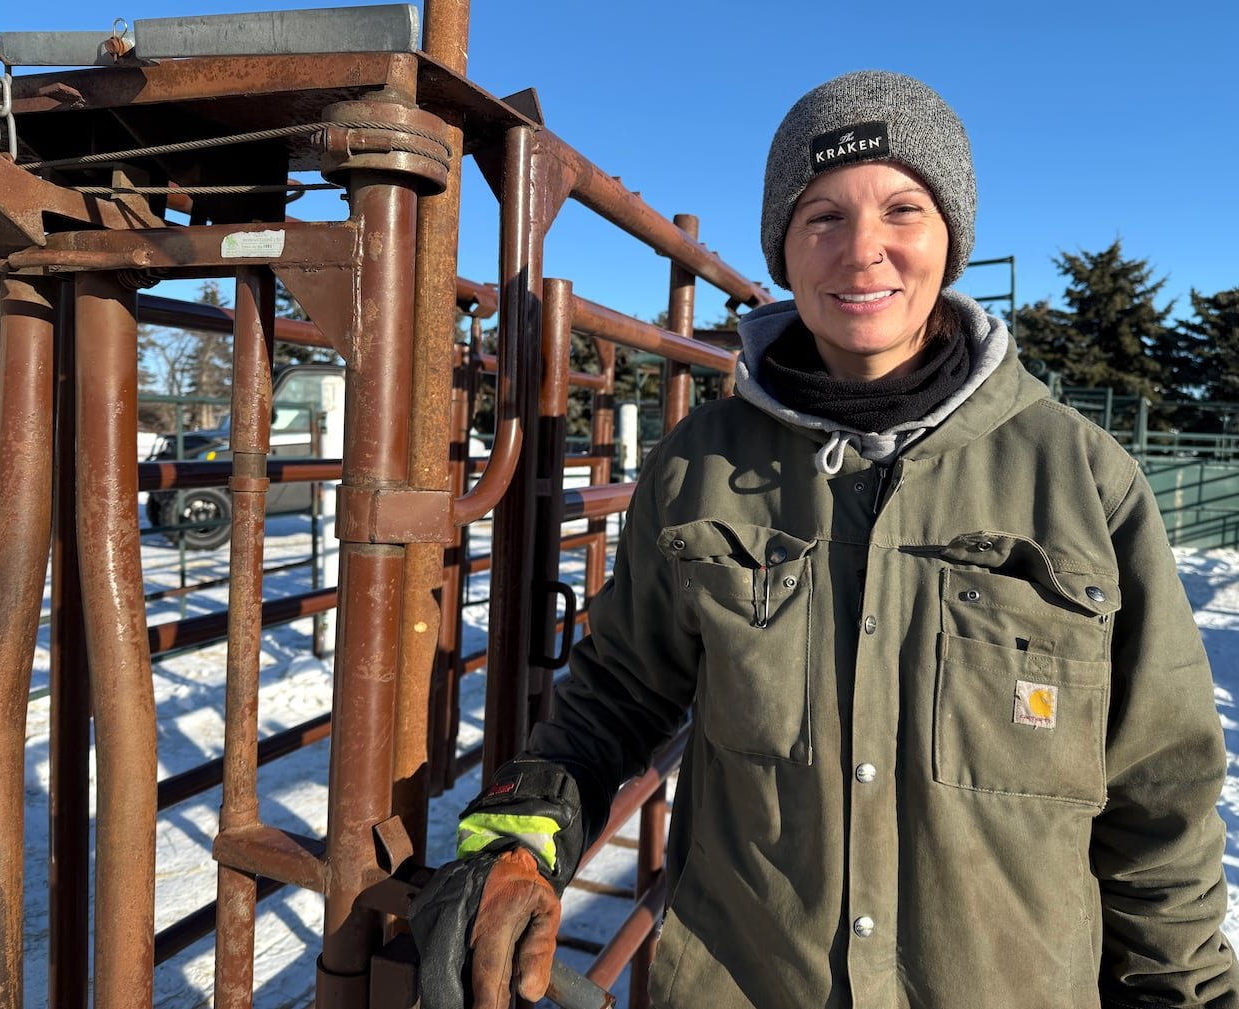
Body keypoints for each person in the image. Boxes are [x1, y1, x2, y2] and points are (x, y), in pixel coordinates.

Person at [411, 70, 1239, 1008]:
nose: (863, 251)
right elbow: (618, 692)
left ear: (950, 239)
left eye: (903, 209)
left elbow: (1158, 799)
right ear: (783, 247)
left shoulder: (1084, 481)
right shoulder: (698, 468)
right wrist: (517, 839)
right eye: (822, 218)